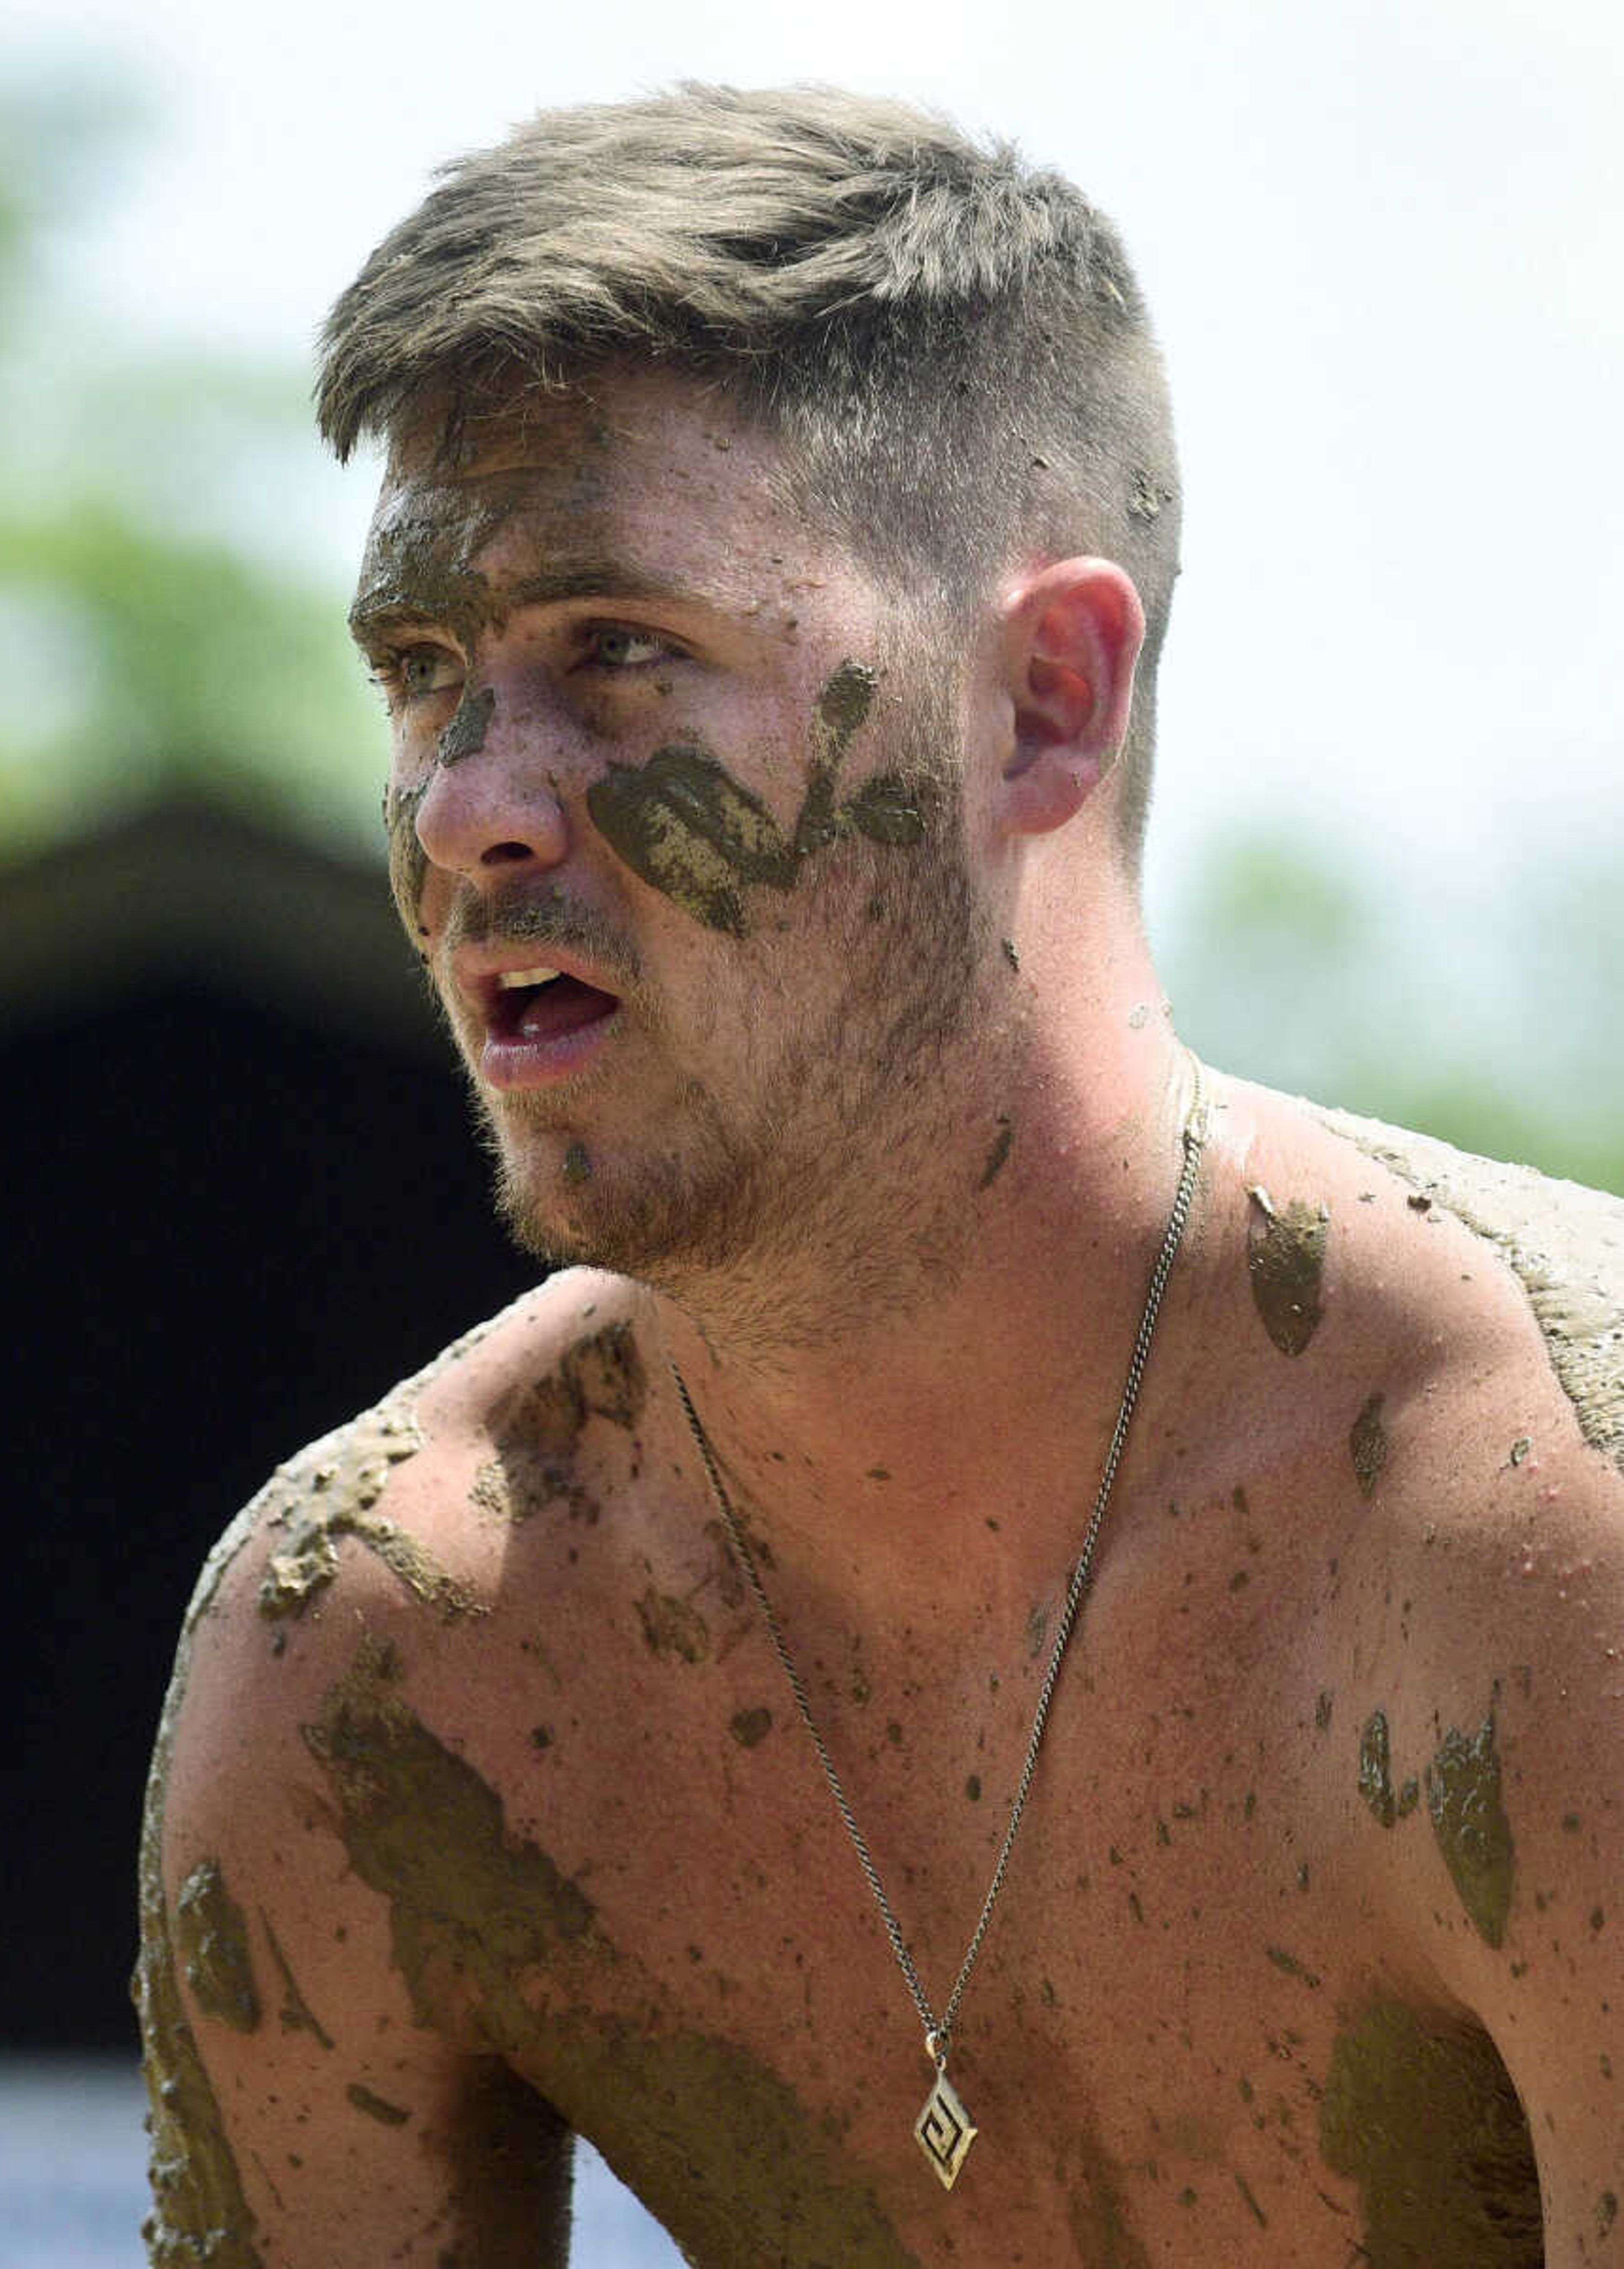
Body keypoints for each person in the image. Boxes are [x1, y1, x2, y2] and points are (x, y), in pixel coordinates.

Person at [134, 85, 1621, 2267]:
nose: (468, 807)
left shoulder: (1535, 1552)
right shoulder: (390, 1654)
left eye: (621, 649)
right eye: (422, 676)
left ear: (1042, 697)